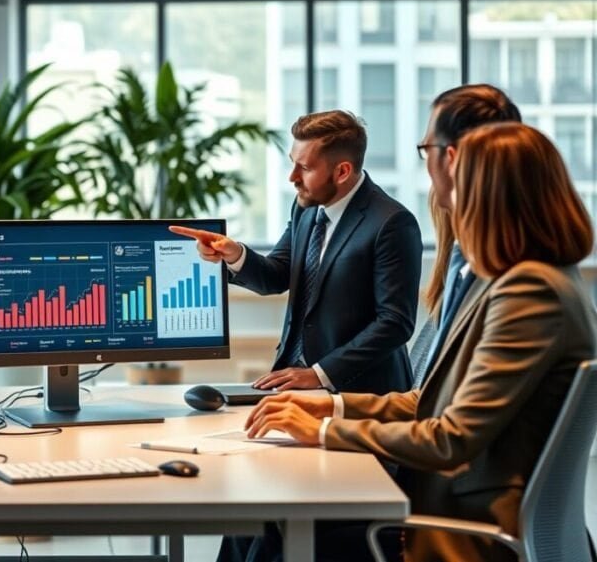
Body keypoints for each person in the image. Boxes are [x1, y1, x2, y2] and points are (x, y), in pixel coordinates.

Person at [246, 122, 597, 562]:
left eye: (456, 183)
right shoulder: (517, 282)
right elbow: (436, 402)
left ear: (492, 199)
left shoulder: (529, 294)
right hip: (454, 501)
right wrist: (331, 405)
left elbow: (450, 437)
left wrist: (323, 431)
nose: (443, 196)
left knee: (275, 526)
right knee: (259, 523)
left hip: (464, 526)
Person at [172, 110, 422, 395]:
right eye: (293, 164)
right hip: (292, 381)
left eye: (305, 168)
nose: (292, 177)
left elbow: (394, 324)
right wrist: (234, 254)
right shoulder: (307, 207)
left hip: (358, 393)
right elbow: (277, 276)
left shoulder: (391, 223)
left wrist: (319, 374)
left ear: (342, 171)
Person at [409, 84, 521, 388]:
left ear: (450, 158)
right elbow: (427, 403)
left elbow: (453, 431)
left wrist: (328, 427)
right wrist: (332, 409)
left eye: (426, 150)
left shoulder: (518, 290)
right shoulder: (472, 272)